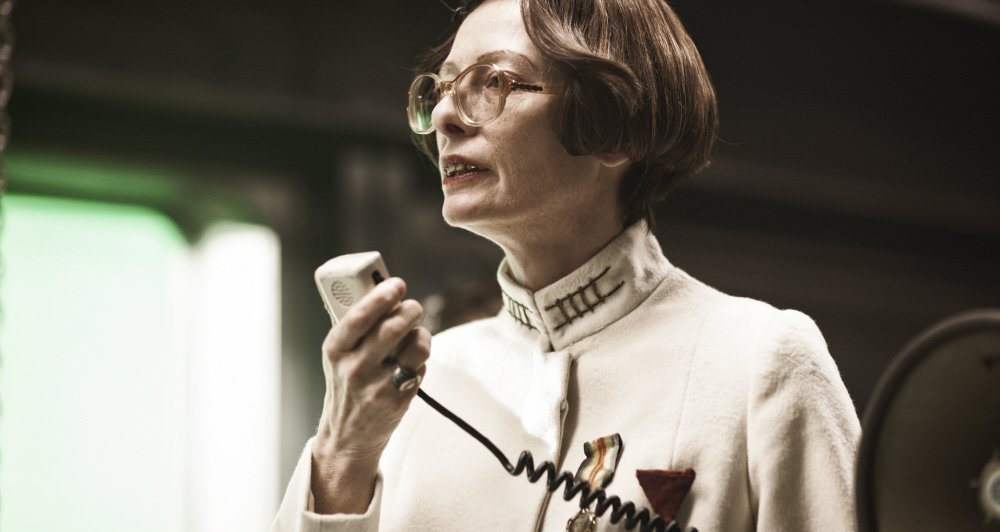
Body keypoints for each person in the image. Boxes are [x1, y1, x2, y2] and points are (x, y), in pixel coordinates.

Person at [271, 0, 860, 530]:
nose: (447, 116)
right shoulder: (417, 384)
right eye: (442, 89)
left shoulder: (759, 360)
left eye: (493, 82)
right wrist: (343, 453)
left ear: (614, 126)